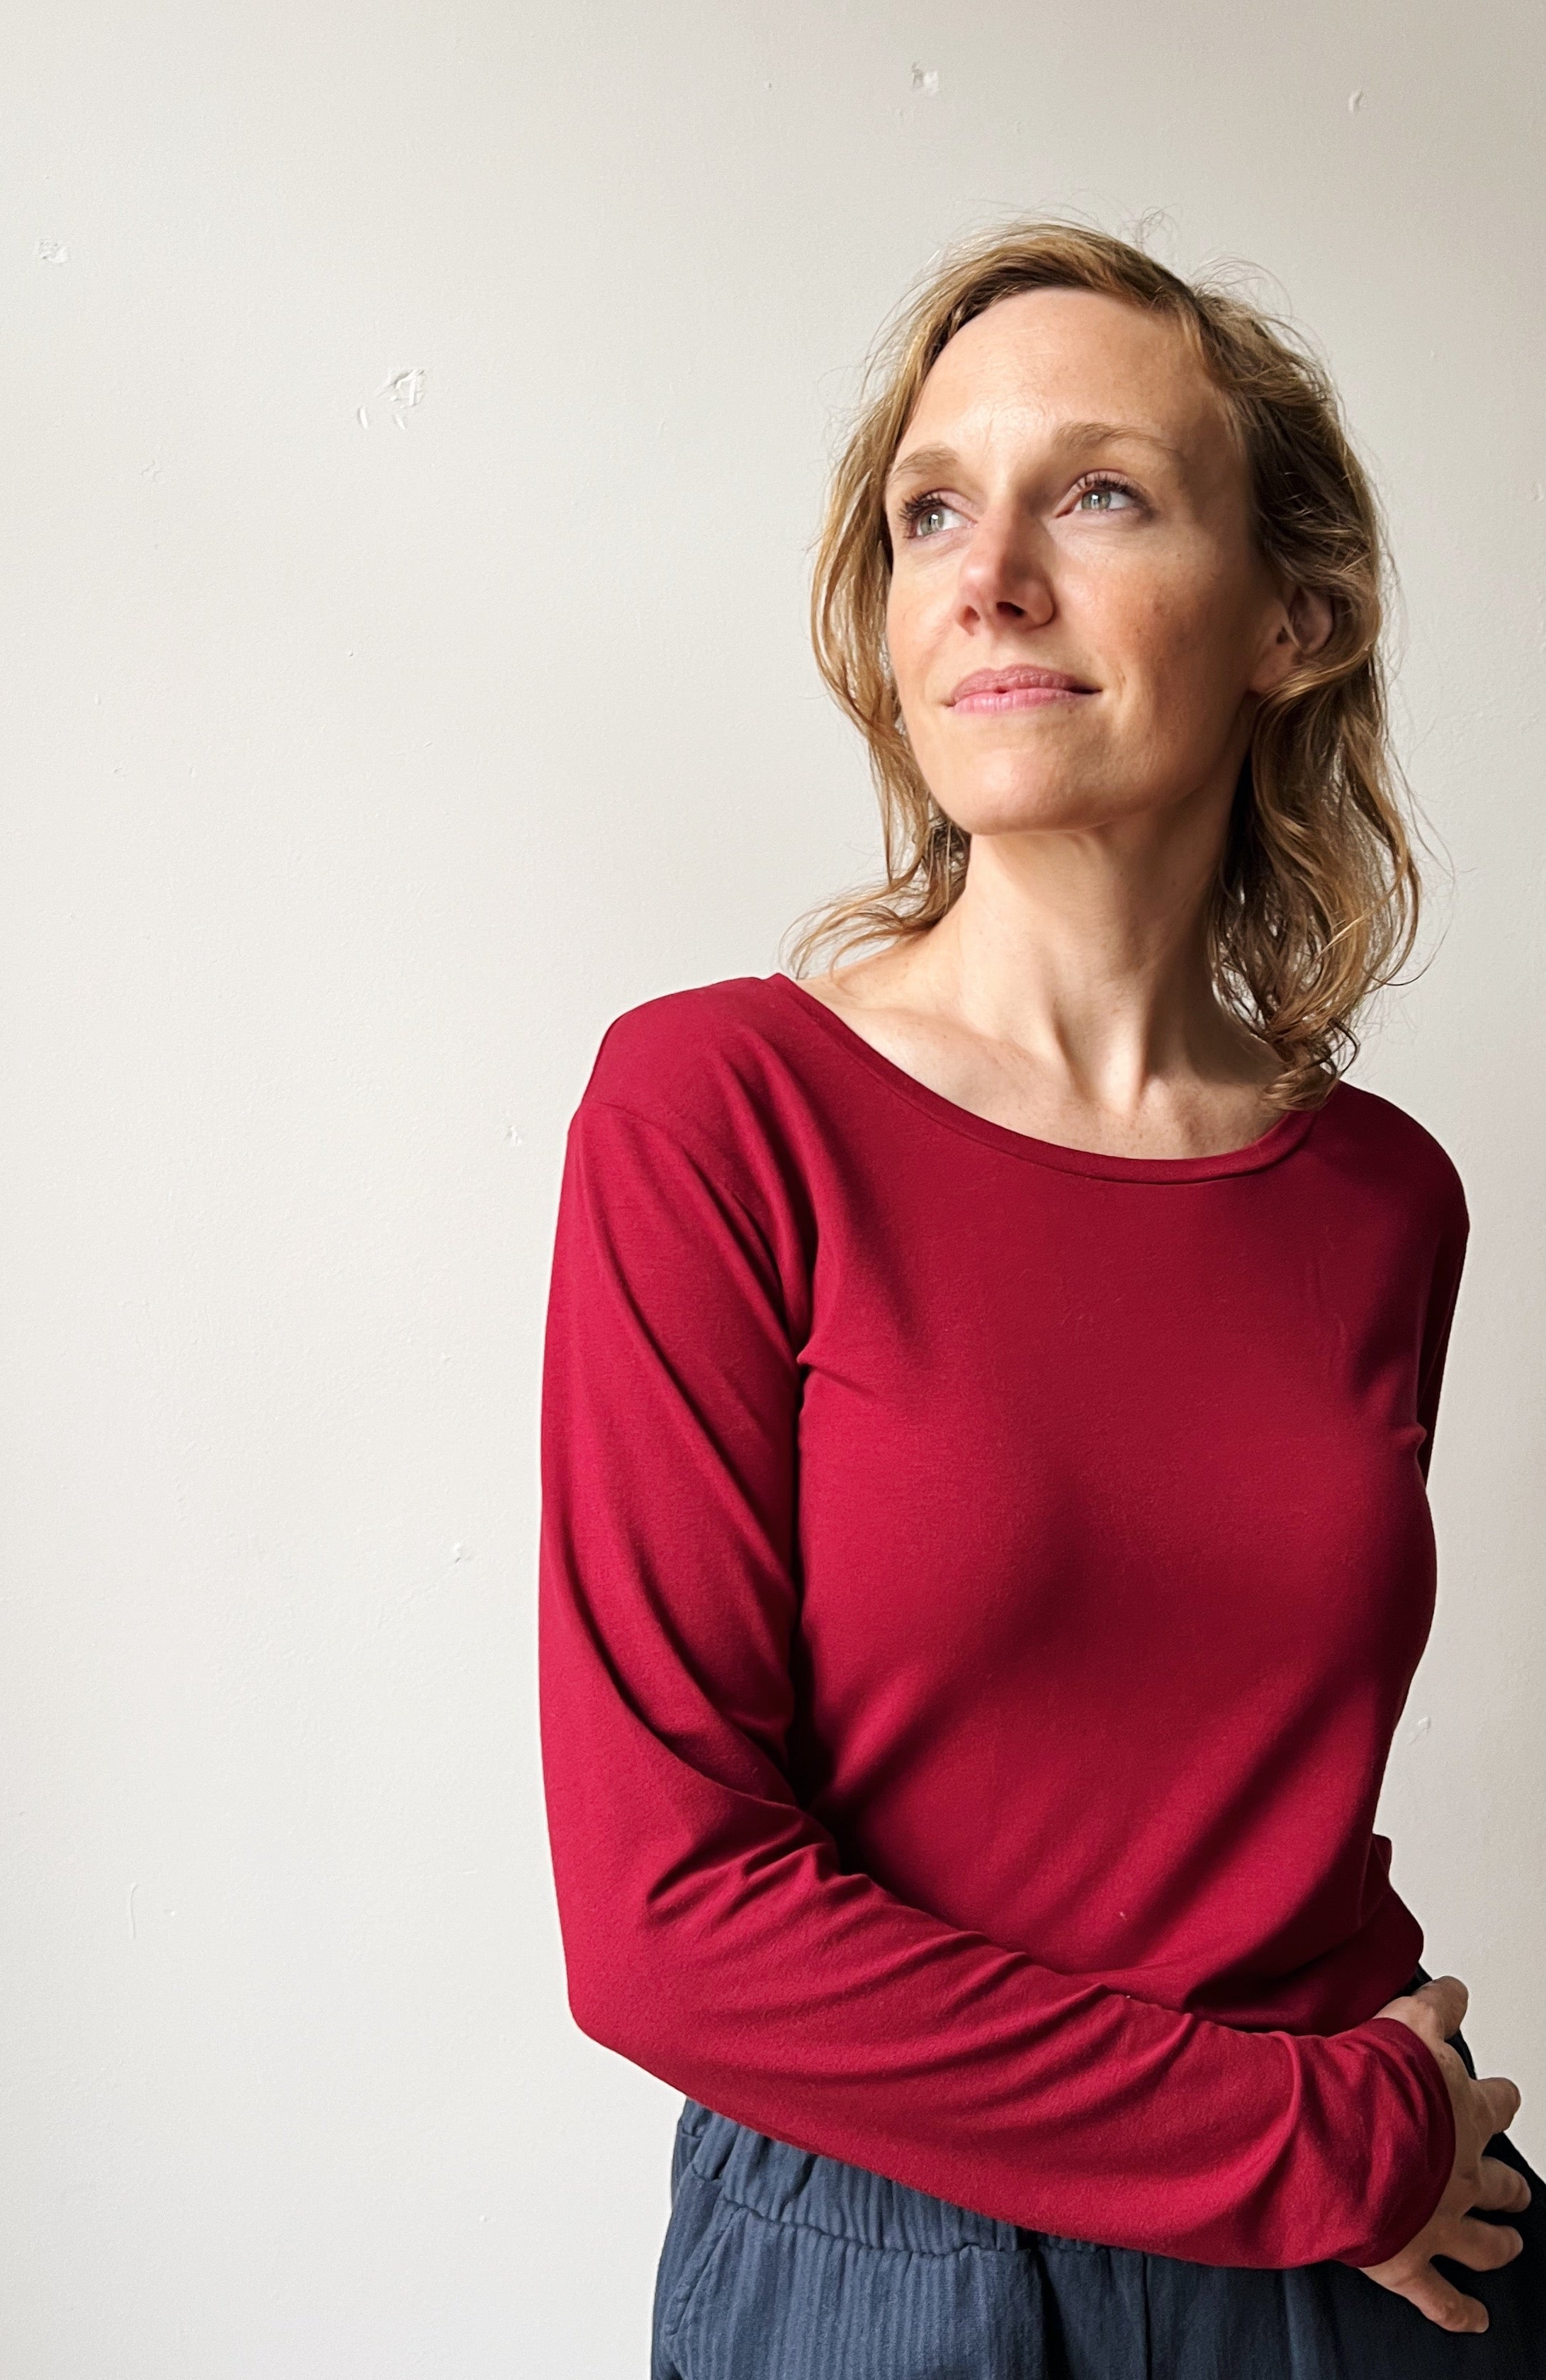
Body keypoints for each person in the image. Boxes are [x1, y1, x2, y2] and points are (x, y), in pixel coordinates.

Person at [536, 221, 1543, 2376]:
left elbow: (1235, 1812)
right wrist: (1302, 2145)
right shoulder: (720, 1112)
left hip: (1363, 2266)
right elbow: (668, 1932)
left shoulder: (1379, 1202)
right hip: (902, 2278)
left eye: (1095, 493)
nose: (986, 575)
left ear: (1298, 616)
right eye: (929, 510)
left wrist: (1363, 2148)